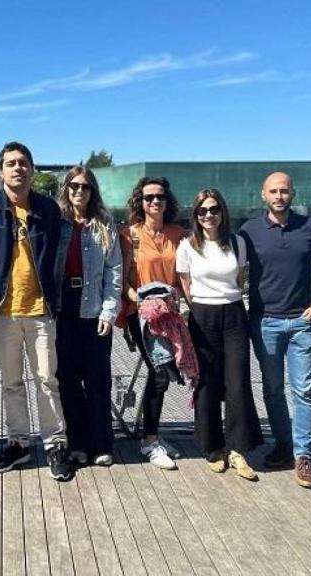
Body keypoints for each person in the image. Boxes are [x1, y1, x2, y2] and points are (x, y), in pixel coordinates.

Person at [0, 142, 72, 481]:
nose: (18, 168)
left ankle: (55, 444)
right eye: (11, 163)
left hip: (41, 310)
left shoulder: (47, 209)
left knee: (47, 379)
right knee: (11, 381)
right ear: (1, 171)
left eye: (23, 162)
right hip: (3, 311)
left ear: (32, 169)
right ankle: (19, 442)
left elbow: (58, 257)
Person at [238, 172, 311, 489]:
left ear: (293, 194)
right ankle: (283, 445)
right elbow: (237, 271)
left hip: (303, 321)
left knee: (303, 390)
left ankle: (303, 455)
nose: (279, 196)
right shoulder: (248, 231)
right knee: (273, 388)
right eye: (274, 191)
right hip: (265, 322)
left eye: (285, 191)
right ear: (263, 195)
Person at [177, 189, 264, 480]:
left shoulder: (237, 243)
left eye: (214, 209)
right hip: (203, 316)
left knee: (238, 382)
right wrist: (200, 310)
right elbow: (186, 286)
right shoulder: (187, 246)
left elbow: (239, 280)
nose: (208, 215)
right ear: (196, 215)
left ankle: (239, 449)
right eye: (202, 211)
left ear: (222, 211)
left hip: (234, 314)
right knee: (207, 383)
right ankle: (213, 447)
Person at [53, 167, 122, 467]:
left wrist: (110, 310)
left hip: (93, 306)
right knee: (67, 380)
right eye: (74, 186)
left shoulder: (104, 224)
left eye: (85, 187)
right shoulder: (57, 222)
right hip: (63, 306)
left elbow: (114, 271)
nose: (79, 191)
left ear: (93, 191)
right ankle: (77, 443)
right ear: (66, 189)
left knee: (98, 379)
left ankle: (101, 443)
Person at [119, 176, 186, 470]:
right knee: (159, 373)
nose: (155, 202)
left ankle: (152, 434)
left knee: (165, 374)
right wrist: (142, 302)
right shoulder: (129, 235)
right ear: (140, 201)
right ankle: (148, 442)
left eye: (160, 197)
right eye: (149, 197)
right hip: (142, 315)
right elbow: (122, 281)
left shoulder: (178, 233)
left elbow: (183, 276)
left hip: (171, 314)